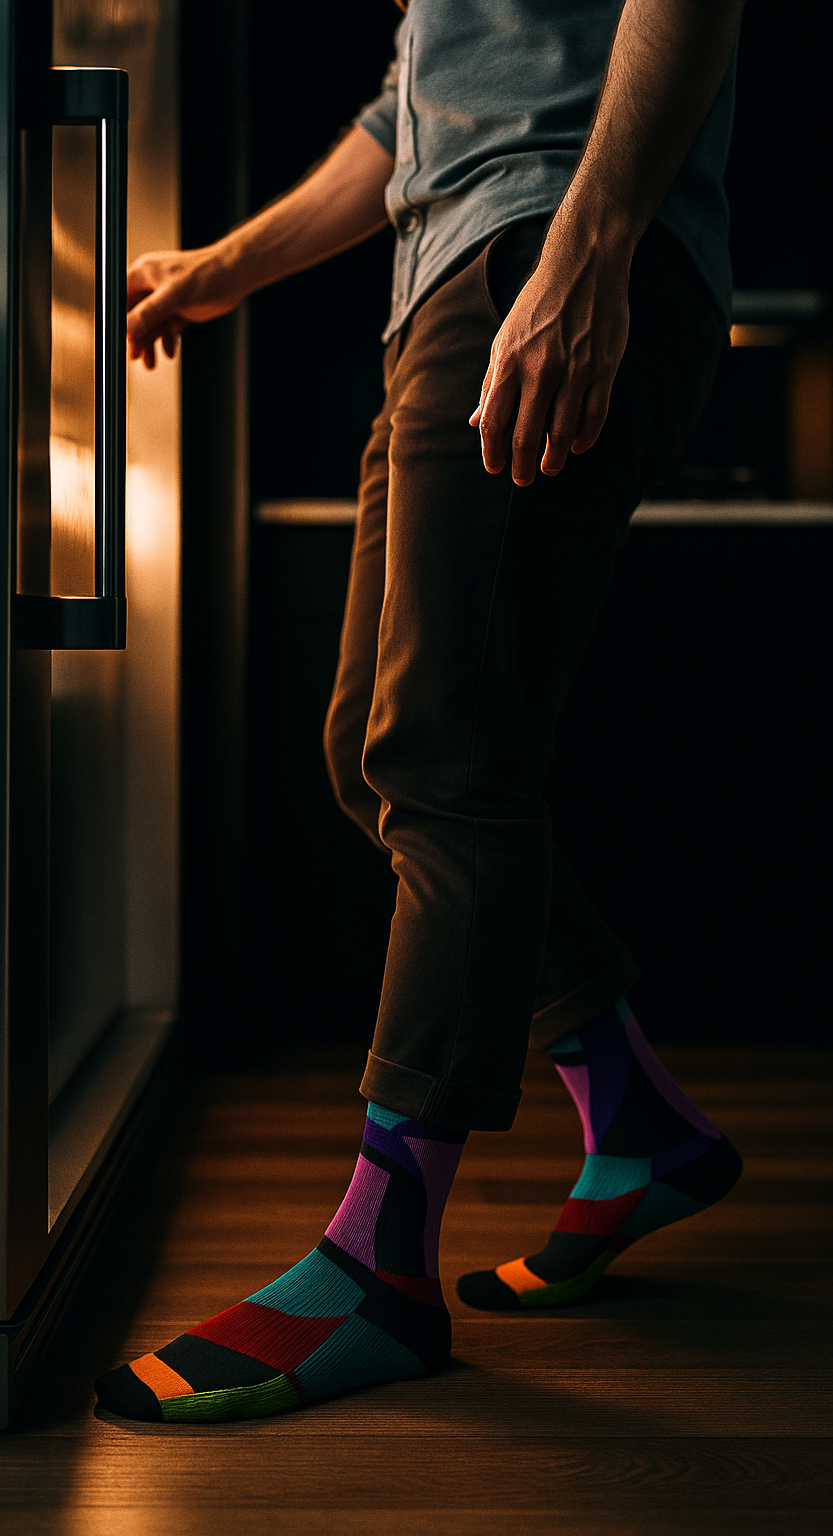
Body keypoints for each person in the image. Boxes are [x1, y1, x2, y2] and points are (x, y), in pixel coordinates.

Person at [95, 0, 745, 1423]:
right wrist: (225, 265)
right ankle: (630, 1119)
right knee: (378, 754)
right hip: (457, 265)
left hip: (539, 246)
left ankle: (380, 1264)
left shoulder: (565, 239)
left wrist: (589, 248)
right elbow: (414, 112)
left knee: (443, 754)